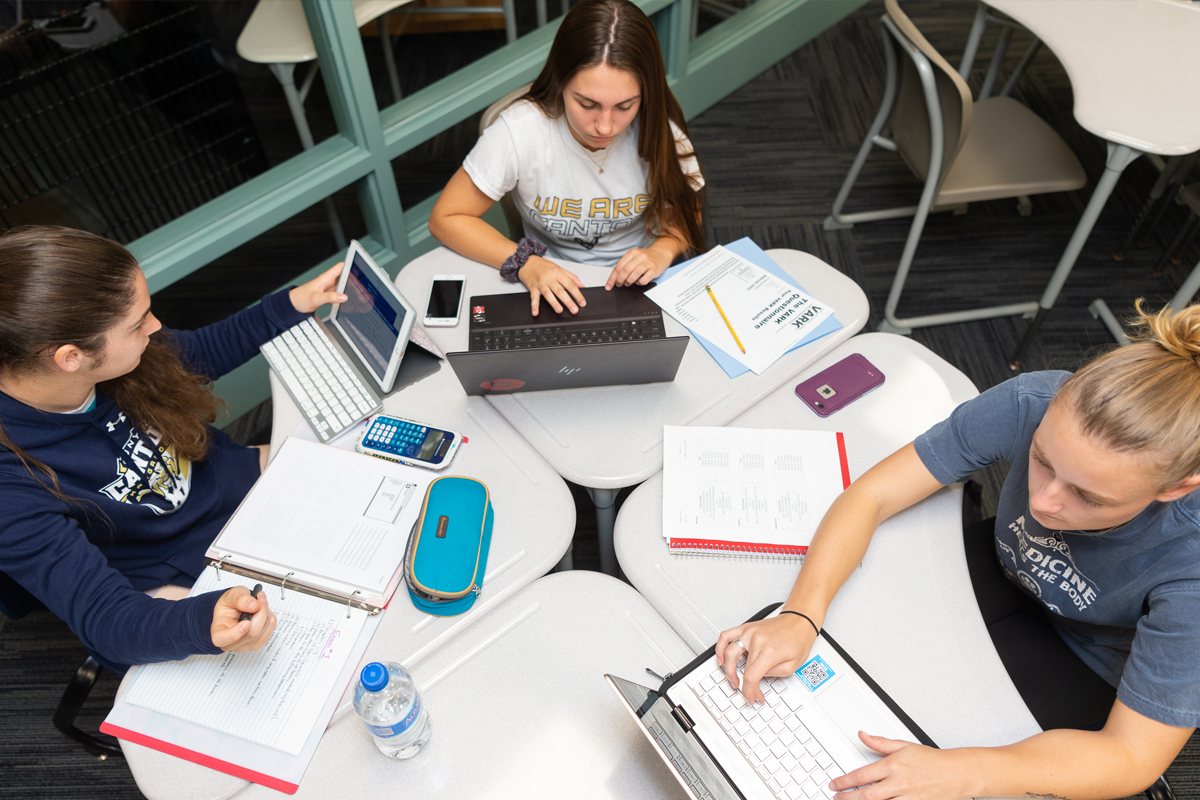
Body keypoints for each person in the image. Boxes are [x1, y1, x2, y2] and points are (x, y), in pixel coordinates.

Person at [716, 302, 1200, 800]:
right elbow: (873, 495)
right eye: (1040, 459)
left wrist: (967, 770)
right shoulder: (1035, 401)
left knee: (937, 757)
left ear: (1176, 488)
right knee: (844, 672)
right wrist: (799, 613)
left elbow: (1131, 756)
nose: (1043, 501)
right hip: (1003, 566)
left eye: (1088, 496)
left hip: (1089, 656)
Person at [0, 225, 347, 667]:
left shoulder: (125, 351)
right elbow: (106, 620)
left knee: (355, 478)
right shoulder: (10, 479)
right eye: (138, 323)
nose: (155, 326)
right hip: (167, 567)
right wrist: (200, 621)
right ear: (71, 358)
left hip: (224, 481)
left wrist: (291, 304)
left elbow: (200, 350)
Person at [428, 0, 706, 317]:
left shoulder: (659, 128)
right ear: (560, 81)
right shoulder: (519, 131)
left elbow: (688, 210)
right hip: (553, 281)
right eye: (587, 104)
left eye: (625, 106)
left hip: (638, 282)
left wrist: (662, 251)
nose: (604, 126)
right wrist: (525, 263)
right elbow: (446, 218)